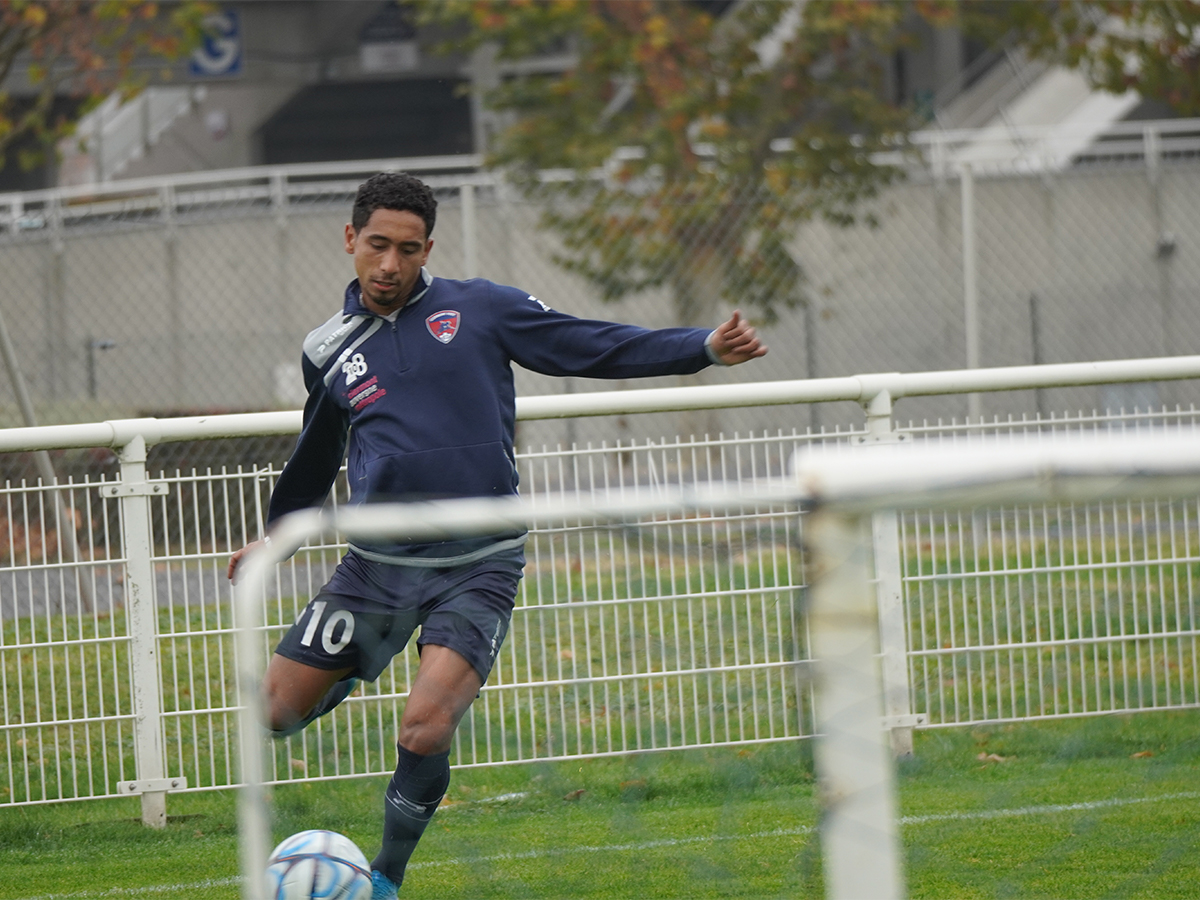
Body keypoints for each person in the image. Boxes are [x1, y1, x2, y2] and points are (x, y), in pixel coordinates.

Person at [227, 171, 767, 899]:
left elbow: (590, 345)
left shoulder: (479, 309)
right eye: (378, 245)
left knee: (424, 728)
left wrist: (699, 346)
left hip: (478, 564)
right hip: (375, 567)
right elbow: (317, 455)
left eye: (409, 250)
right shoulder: (327, 347)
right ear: (351, 239)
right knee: (274, 713)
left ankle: (384, 880)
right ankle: (359, 662)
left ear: (428, 250)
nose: (391, 265)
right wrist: (277, 538)